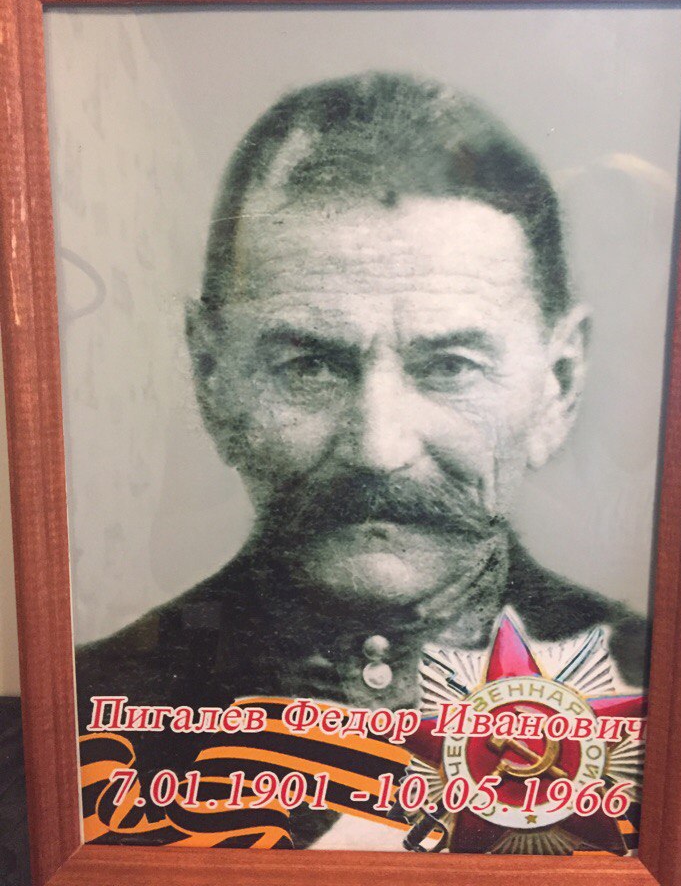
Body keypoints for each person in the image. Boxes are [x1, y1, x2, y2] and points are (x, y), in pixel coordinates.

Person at [76, 72, 646, 845]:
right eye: (309, 365)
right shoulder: (79, 713)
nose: (379, 448)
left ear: (559, 385)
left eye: (449, 366)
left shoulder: (656, 690)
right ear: (211, 377)